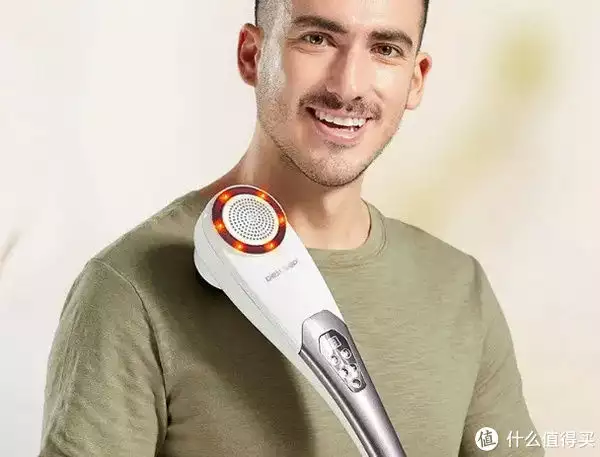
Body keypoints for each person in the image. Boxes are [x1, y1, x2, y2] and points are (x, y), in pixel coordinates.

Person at [39, 0, 544, 456]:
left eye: (385, 49)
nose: (348, 86)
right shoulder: (131, 288)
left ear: (416, 78)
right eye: (317, 39)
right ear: (251, 55)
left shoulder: (459, 288)